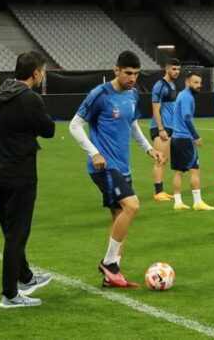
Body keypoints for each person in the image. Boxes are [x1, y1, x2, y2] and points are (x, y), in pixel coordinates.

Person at [68, 50, 165, 288]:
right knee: (132, 206)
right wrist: (94, 152)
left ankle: (112, 275)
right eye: (128, 73)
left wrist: (149, 149)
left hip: (123, 166)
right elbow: (75, 125)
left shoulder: (132, 95)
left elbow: (132, 125)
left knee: (120, 218)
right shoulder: (100, 94)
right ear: (116, 70)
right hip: (104, 166)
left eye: (136, 74)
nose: (132, 78)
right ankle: (108, 264)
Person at [0, 51, 55, 309]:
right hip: (20, 174)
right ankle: (10, 294)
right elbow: (48, 130)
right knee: (17, 234)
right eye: (43, 72)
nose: (43, 76)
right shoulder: (30, 98)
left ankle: (25, 277)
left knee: (10, 231)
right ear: (36, 73)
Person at [169, 73, 214, 211]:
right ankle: (198, 202)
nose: (198, 85)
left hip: (176, 138)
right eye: (195, 82)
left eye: (199, 82)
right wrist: (196, 136)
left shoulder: (182, 95)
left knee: (179, 171)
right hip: (185, 139)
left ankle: (178, 202)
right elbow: (187, 117)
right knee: (195, 169)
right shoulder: (187, 97)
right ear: (187, 83)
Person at [149, 57, 182, 201]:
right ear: (167, 69)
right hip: (161, 127)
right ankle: (158, 193)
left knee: (165, 159)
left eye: (178, 69)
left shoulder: (173, 85)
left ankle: (161, 191)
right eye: (174, 69)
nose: (177, 72)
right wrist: (161, 129)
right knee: (160, 159)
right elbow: (155, 109)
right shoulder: (159, 86)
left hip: (170, 126)